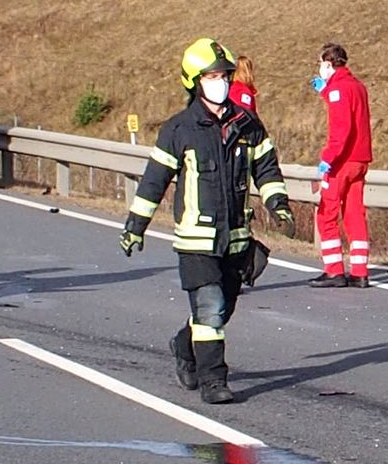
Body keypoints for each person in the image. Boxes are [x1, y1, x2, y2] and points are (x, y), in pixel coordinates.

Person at [122, 38, 293, 406]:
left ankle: (184, 345)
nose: (220, 81)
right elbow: (154, 180)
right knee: (210, 305)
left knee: (222, 309)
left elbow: (266, 167)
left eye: (224, 75)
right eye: (211, 75)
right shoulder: (178, 129)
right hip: (196, 241)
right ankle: (214, 380)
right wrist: (136, 226)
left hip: (235, 239)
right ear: (194, 82)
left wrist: (278, 204)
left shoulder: (247, 124)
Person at [310, 44, 375, 282]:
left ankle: (334, 269)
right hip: (360, 160)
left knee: (326, 213)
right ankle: (360, 272)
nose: (319, 69)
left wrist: (328, 158)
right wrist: (325, 92)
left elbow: (341, 128)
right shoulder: (358, 86)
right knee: (355, 213)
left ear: (328, 63)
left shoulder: (338, 89)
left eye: (321, 64)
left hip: (342, 161)